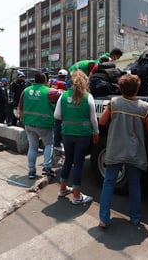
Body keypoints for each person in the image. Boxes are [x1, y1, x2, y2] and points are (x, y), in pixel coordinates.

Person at [98, 73, 148, 228]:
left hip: (115, 149)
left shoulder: (114, 103)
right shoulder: (145, 108)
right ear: (137, 88)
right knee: (134, 183)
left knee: (109, 182)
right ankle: (135, 218)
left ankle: (103, 219)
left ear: (120, 88)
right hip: (134, 152)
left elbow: (102, 121)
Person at [54, 70, 100, 204]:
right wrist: (96, 133)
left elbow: (57, 116)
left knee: (68, 160)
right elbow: (93, 119)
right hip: (83, 135)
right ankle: (77, 196)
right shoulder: (88, 96)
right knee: (78, 163)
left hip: (67, 133)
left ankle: (63, 189)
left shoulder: (63, 96)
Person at [19, 72, 56, 179]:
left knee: (32, 146)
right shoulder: (49, 91)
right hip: (44, 124)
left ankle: (31, 171)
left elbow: (20, 108)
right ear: (45, 80)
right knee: (49, 144)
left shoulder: (26, 91)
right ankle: (46, 168)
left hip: (29, 123)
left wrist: (22, 121)